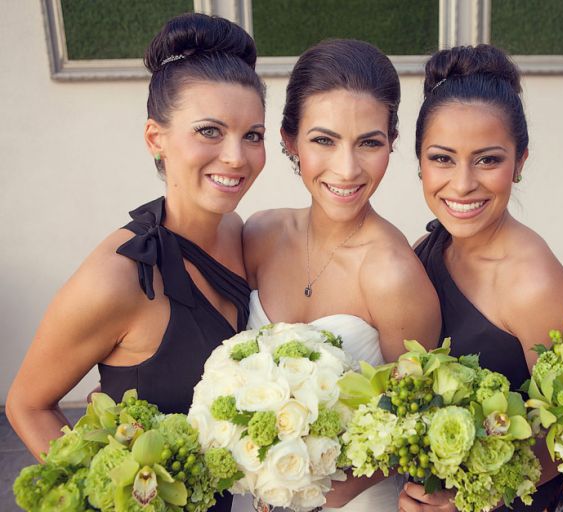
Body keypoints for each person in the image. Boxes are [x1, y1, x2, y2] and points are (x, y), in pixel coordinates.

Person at [6, 13, 267, 511]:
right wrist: (104, 496)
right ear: (155, 138)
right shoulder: (119, 277)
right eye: (209, 131)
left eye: (252, 135)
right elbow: (27, 404)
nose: (237, 156)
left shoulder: (237, 232)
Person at [236, 39, 441, 512]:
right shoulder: (260, 235)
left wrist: (303, 495)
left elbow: (415, 425)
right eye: (324, 140)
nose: (347, 169)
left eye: (369, 142)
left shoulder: (394, 274)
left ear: (391, 143)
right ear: (290, 140)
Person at [401, 44, 563, 512]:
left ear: (520, 163)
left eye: (487, 160)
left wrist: (470, 497)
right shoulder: (426, 248)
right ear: (419, 161)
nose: (463, 184)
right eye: (442, 158)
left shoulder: (533, 283)